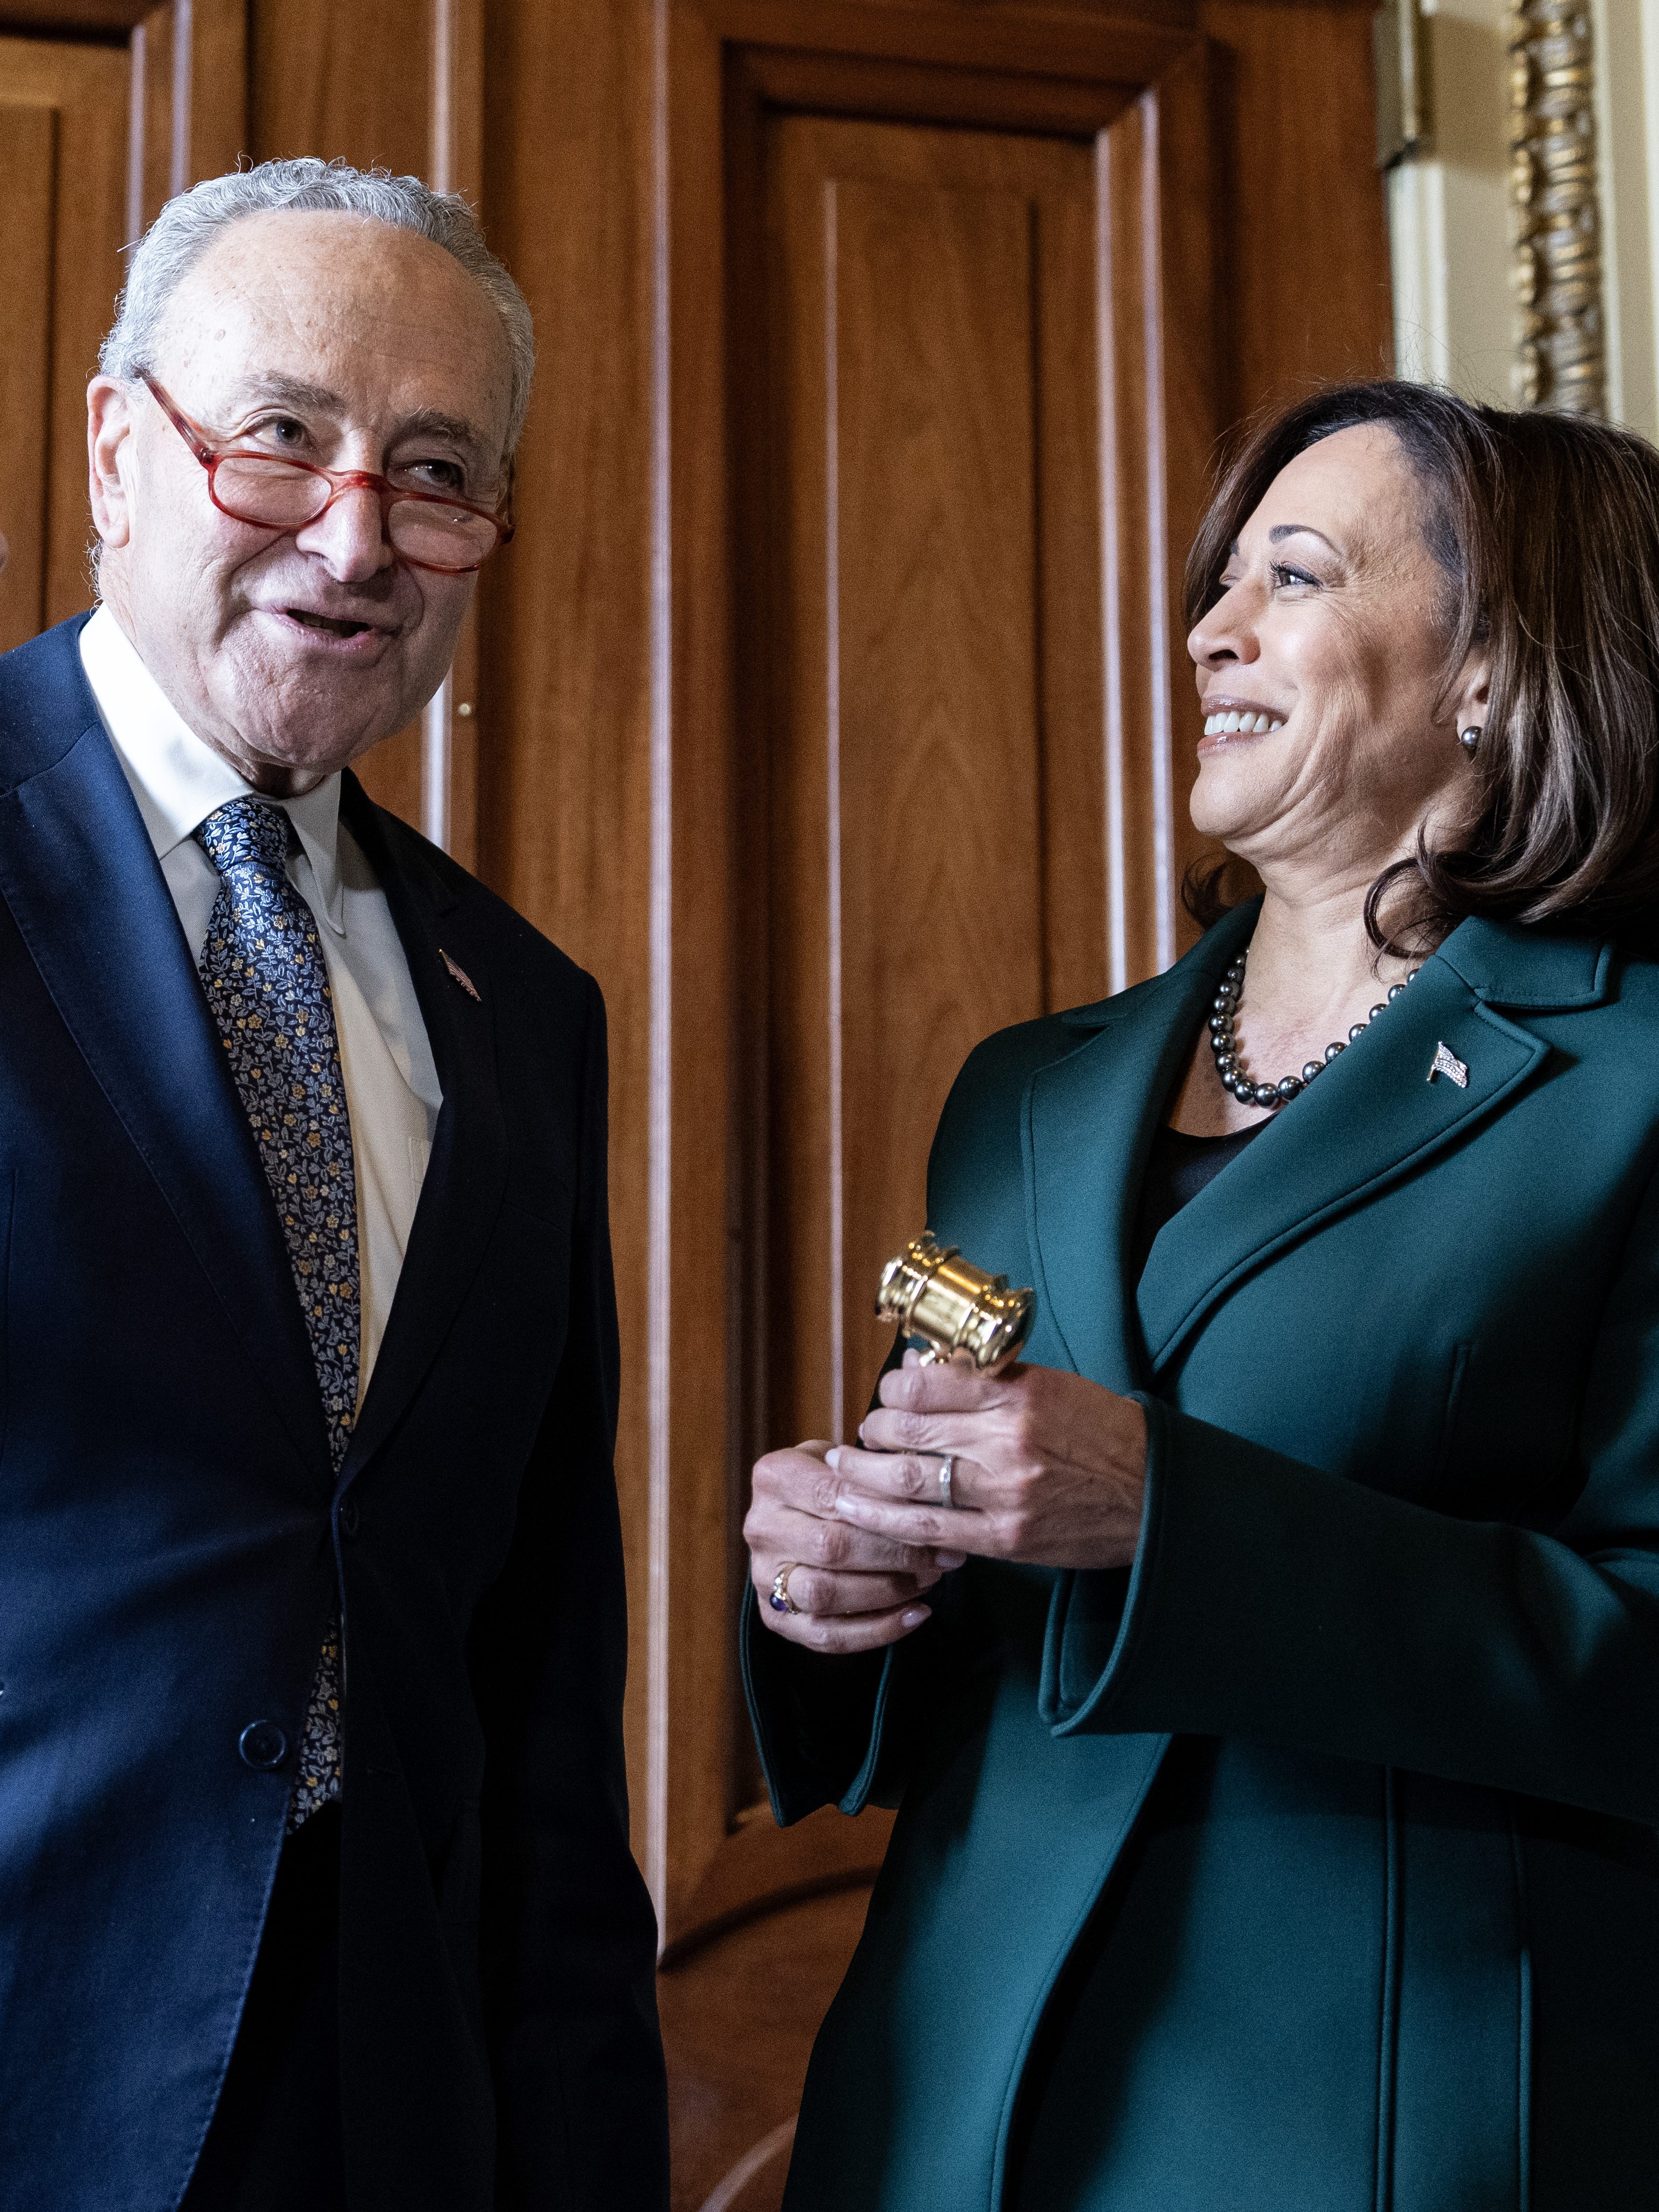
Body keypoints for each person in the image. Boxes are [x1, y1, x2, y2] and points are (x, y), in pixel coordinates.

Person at [743, 382, 1659, 2210]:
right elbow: (962, 1537)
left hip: (1378, 2113)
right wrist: (836, 1580)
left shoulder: (1634, 1076)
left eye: (1293, 579)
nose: (1208, 632)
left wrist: (1175, 1515)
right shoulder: (1026, 1093)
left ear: (1490, 671)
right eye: (1216, 585)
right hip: (952, 2096)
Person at [0, 160, 667, 2212]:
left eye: (439, 471)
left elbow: (542, 1697)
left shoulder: (524, 1011)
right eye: (282, 436)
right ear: (123, 448)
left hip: (396, 2122)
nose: (358, 536)